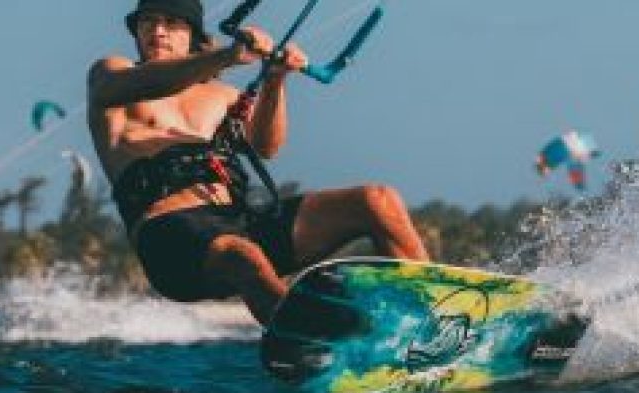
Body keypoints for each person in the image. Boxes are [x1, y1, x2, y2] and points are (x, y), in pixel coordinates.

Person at [88, 0, 429, 325]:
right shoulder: (114, 74)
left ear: (192, 33)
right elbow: (147, 82)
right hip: (171, 241)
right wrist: (229, 56)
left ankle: (434, 313)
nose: (157, 31)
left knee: (376, 200)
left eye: (171, 23)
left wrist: (275, 80)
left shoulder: (221, 96)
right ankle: (311, 340)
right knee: (243, 255)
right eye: (148, 22)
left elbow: (266, 146)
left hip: (237, 222)